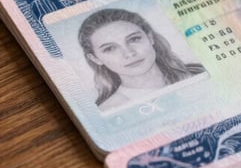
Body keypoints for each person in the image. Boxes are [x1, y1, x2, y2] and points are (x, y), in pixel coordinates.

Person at [77, 8, 205, 110]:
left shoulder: (200, 73)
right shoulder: (109, 109)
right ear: (95, 58)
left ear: (150, 37)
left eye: (134, 39)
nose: (129, 53)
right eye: (110, 48)